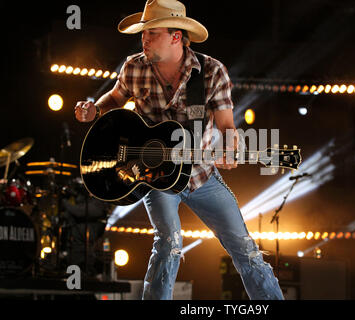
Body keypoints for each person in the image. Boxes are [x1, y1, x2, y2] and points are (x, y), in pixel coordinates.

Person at [74, 0, 284, 300]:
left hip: (201, 175)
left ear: (176, 36)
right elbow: (115, 98)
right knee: (169, 242)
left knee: (245, 247)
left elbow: (226, 126)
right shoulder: (134, 66)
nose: (144, 39)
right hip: (154, 175)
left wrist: (229, 147)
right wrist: (92, 110)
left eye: (152, 33)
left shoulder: (211, 71)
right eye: (143, 34)